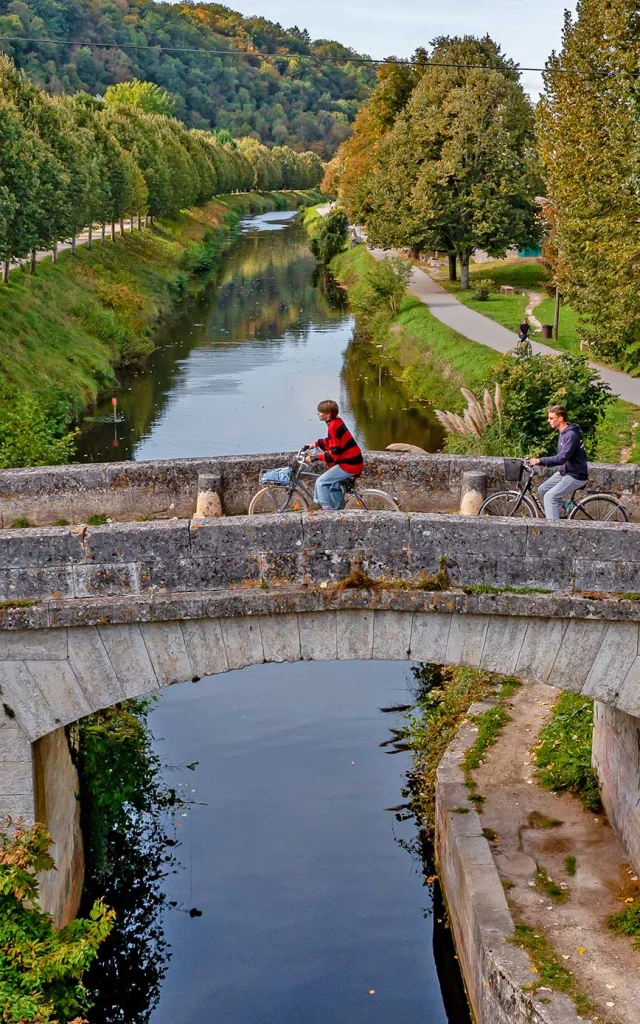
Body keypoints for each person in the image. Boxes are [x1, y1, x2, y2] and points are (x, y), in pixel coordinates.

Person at [529, 405, 588, 519]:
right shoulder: (563, 432)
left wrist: (540, 461)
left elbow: (562, 458)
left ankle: (553, 530)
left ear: (560, 418)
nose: (548, 421)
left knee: (550, 497)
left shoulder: (571, 435)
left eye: (551, 418)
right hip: (566, 472)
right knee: (543, 489)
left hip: (576, 475)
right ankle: (567, 507)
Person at [306, 400, 363, 510]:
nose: (318, 413)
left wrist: (314, 458)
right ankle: (338, 510)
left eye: (320, 412)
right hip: (354, 461)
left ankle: (326, 511)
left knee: (321, 482)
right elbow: (333, 441)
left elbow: (334, 455)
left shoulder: (333, 427)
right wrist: (315, 444)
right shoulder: (337, 422)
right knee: (333, 485)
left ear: (328, 415)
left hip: (349, 464)